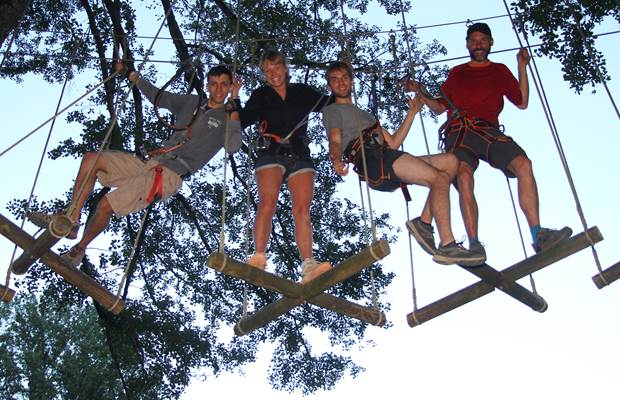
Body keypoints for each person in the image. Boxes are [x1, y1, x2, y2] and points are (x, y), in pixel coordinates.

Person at [29, 62, 242, 267]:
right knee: (92, 159)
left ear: (230, 86)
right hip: (151, 162)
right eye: (214, 84)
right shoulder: (192, 102)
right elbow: (158, 97)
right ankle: (72, 220)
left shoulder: (228, 119)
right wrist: (131, 74)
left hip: (169, 175)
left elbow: (233, 146)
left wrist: (234, 103)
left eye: (224, 84)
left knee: (106, 204)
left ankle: (78, 250)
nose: (219, 89)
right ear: (207, 85)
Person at [415, 22, 572, 258]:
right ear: (467, 45)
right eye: (473, 40)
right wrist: (420, 91)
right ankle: (474, 243)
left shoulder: (499, 71)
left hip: (486, 130)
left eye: (483, 40)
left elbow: (522, 102)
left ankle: (538, 234)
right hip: (459, 131)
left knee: (523, 164)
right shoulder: (458, 72)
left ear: (491, 43)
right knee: (464, 176)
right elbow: (439, 107)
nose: (478, 44)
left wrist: (521, 66)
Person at [322, 61, 484, 267]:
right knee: (438, 178)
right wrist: (336, 159)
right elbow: (334, 140)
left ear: (352, 81)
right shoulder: (333, 110)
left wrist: (411, 114)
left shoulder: (366, 116)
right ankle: (447, 244)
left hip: (386, 155)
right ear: (329, 85)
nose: (341, 82)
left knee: (450, 162)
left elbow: (393, 142)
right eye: (335, 79)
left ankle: (424, 223)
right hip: (372, 160)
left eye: (345, 77)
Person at [237, 49, 332, 283]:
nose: (273, 74)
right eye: (267, 71)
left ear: (285, 67)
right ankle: (258, 257)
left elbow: (330, 103)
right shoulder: (261, 95)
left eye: (276, 67)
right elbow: (242, 120)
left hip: (299, 153)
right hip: (271, 152)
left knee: (302, 210)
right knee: (267, 203)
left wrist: (341, 85)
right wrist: (234, 98)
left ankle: (308, 265)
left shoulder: (301, 92)